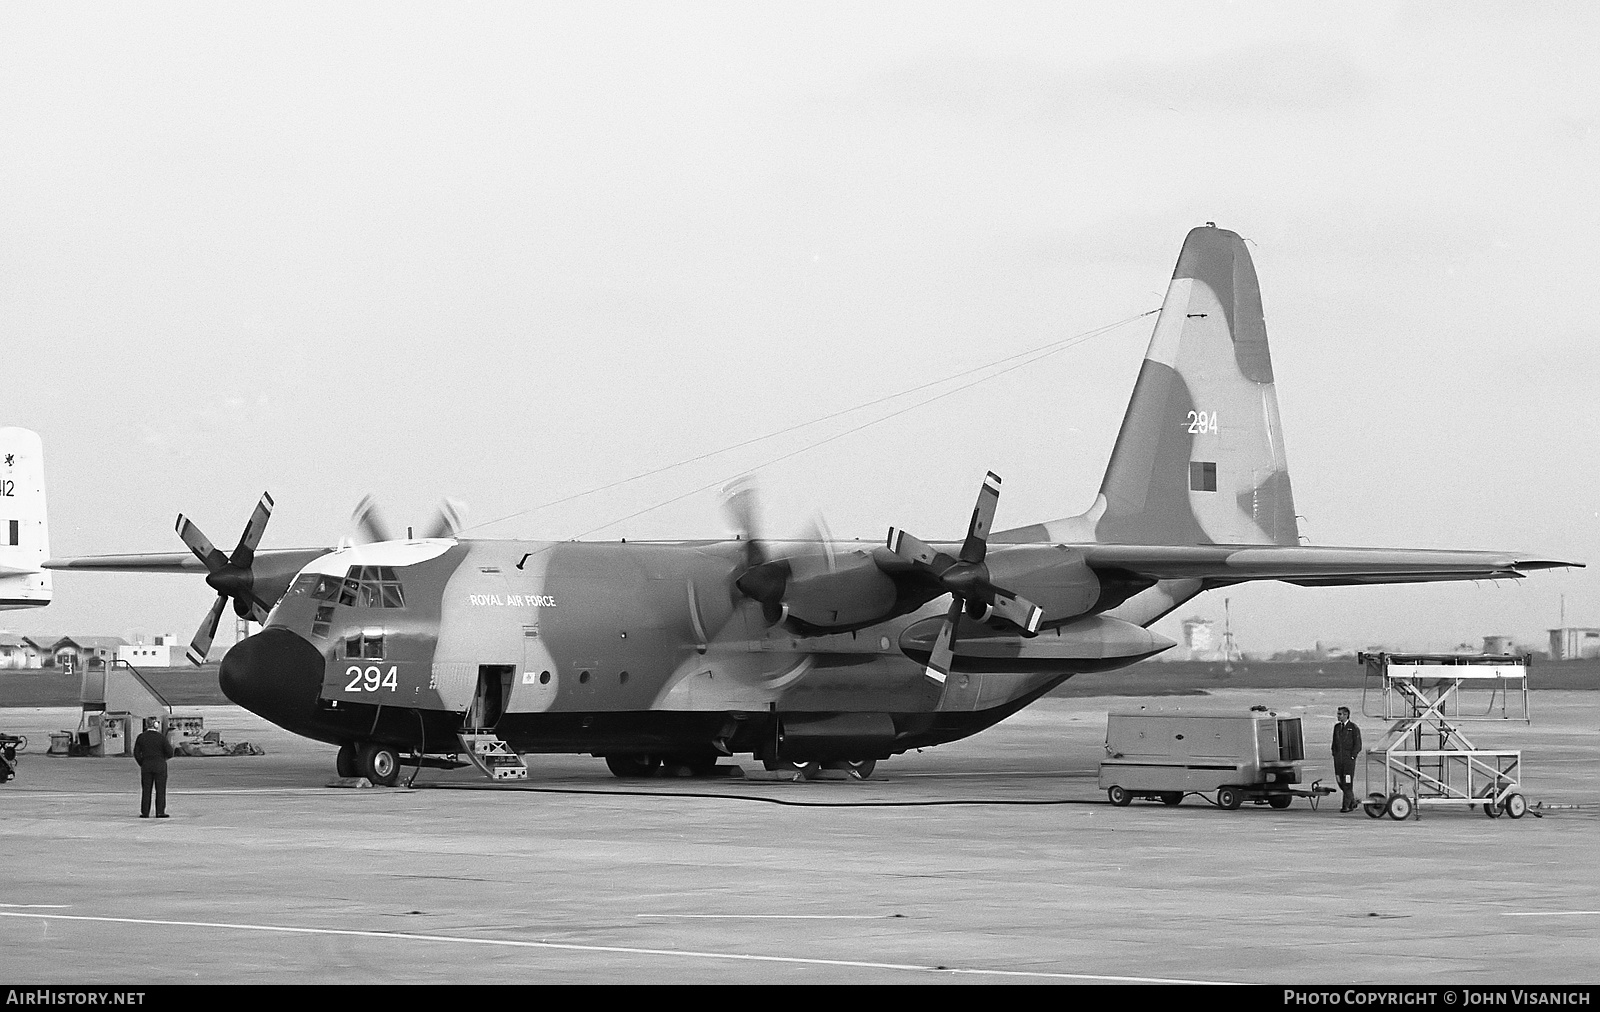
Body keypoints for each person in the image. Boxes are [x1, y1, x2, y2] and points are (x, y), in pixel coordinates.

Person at [132, 717, 173, 818]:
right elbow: (170, 752)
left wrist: (142, 762)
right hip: (160, 766)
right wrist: (163, 759)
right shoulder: (161, 737)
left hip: (146, 766)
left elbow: (136, 753)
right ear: (155, 725)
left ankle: (145, 812)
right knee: (160, 789)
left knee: (146, 789)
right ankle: (160, 812)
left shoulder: (141, 737)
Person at [1332, 706, 1363, 813]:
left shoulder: (1353, 728)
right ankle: (1352, 801)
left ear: (1346, 715)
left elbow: (1358, 744)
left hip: (1348, 761)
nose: (1338, 716)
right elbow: (1334, 743)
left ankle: (1346, 805)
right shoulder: (1336, 727)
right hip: (1338, 760)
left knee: (1347, 782)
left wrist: (1352, 756)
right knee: (1340, 781)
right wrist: (1335, 754)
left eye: (1340, 714)